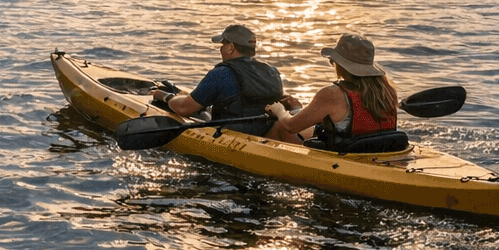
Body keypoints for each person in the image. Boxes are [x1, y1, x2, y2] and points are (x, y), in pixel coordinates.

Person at [152, 24, 298, 129]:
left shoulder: (220, 74)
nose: (221, 48)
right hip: (264, 131)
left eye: (223, 44)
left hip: (231, 133)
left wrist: (167, 97)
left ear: (231, 47)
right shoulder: (272, 71)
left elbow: (184, 109)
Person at [266, 33, 399, 145]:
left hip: (346, 153)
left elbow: (291, 126)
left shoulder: (331, 94)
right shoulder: (387, 89)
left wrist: (279, 111)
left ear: (339, 64)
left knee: (279, 127)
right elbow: (347, 117)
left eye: (333, 61)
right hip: (382, 148)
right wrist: (297, 110)